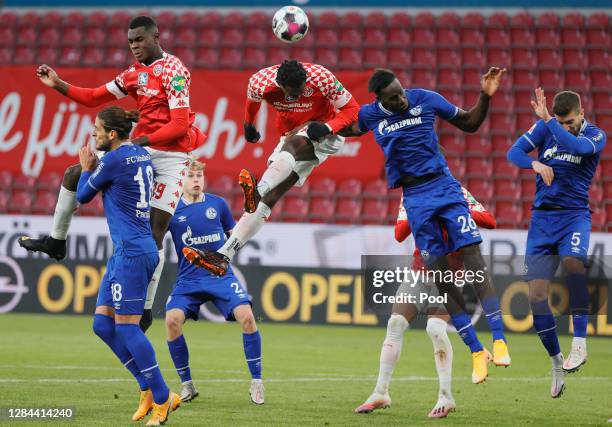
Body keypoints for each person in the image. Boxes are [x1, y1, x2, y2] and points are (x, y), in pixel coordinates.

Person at [18, 15, 205, 332]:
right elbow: (94, 97)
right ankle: (56, 241)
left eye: (139, 40)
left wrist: (141, 141)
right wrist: (58, 84)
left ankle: (145, 308)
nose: (134, 46)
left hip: (173, 155)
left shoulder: (174, 71)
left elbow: (179, 125)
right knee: (75, 173)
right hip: (143, 148)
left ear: (156, 37)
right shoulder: (133, 74)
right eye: (130, 41)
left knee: (155, 232)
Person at [341, 67, 510, 384]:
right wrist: (312, 125)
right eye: (393, 98)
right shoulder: (370, 116)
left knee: (473, 257)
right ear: (381, 101)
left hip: (445, 188)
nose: (402, 99)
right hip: (416, 198)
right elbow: (344, 128)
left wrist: (485, 97)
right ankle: (475, 351)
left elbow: (470, 123)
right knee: (437, 282)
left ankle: (498, 340)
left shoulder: (426, 99)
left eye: (401, 91)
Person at [181, 59, 359, 276]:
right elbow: (252, 101)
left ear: (306, 80)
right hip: (291, 133)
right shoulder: (260, 82)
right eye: (293, 92)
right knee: (270, 199)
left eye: (303, 89)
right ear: (282, 86)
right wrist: (249, 124)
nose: (300, 94)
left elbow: (352, 110)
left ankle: (258, 190)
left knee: (289, 151)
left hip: (325, 130)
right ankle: (223, 255)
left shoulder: (322, 77)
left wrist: (328, 127)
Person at [76, 106, 179, 425]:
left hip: (133, 253)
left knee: (126, 327)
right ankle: (147, 388)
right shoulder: (140, 154)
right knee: (102, 325)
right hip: (128, 250)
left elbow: (82, 195)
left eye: (97, 129)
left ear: (113, 134)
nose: (94, 134)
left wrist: (86, 168)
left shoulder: (111, 161)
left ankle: (163, 398)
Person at [355, 186, 496, 418]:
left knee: (435, 328)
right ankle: (380, 392)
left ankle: (446, 396)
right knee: (395, 324)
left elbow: (489, 219)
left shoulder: (456, 190)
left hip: (451, 275)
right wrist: (420, 208)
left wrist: (451, 210)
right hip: (420, 271)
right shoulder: (410, 193)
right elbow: (400, 233)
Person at [507, 88, 606, 398]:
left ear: (581, 114)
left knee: (574, 263)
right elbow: (513, 153)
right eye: (561, 123)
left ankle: (580, 343)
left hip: (574, 217)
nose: (566, 127)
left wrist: (549, 120)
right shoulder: (546, 127)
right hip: (541, 222)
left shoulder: (595, 135)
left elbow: (573, 144)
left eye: (570, 121)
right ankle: (556, 364)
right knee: (536, 297)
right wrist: (533, 164)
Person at [165, 160, 264, 404]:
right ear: (182, 180)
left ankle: (257, 382)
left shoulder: (217, 204)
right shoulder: (171, 210)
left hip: (220, 275)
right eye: (191, 176)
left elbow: (236, 236)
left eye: (199, 175)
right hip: (188, 279)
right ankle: (187, 384)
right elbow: (154, 236)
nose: (196, 179)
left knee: (248, 317)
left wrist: (251, 212)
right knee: (171, 321)